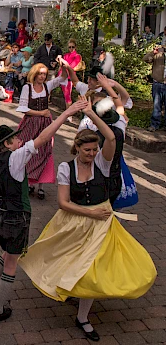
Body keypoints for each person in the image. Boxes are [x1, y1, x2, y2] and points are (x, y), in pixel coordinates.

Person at [19, 98, 156, 342]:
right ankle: (71, 290)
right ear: (77, 149)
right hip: (75, 220)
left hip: (101, 225)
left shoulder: (102, 164)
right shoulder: (65, 168)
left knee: (91, 268)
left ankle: (82, 317)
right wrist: (90, 213)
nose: (92, 154)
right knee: (69, 259)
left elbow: (112, 139)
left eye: (94, 149)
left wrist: (91, 113)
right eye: (87, 150)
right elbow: (63, 203)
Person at [0, 101, 86, 324]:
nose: (20, 140)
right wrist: (68, 113)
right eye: (16, 138)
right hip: (17, 216)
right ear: (7, 143)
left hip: (1, 214)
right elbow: (43, 138)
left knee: (7, 253)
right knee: (13, 262)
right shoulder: (16, 157)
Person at [16, 62, 67, 199]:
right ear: (35, 74)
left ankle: (41, 186)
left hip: (45, 124)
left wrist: (65, 65)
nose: (42, 76)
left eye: (44, 74)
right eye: (40, 73)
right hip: (31, 123)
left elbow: (62, 78)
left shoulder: (47, 86)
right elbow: (22, 107)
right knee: (28, 150)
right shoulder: (27, 88)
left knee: (45, 151)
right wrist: (41, 113)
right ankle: (29, 183)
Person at [143, 45, 166, 131]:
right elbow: (145, 59)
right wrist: (153, 52)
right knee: (157, 105)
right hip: (158, 83)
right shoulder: (158, 54)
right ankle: (154, 125)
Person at [60, 38, 82, 109]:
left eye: (73, 47)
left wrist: (64, 64)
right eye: (70, 47)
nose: (71, 48)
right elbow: (62, 66)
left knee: (67, 96)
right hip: (63, 76)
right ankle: (68, 113)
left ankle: (69, 114)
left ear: (75, 47)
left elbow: (72, 66)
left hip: (69, 77)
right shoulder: (66, 55)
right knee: (65, 95)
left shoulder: (77, 56)